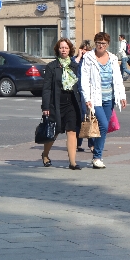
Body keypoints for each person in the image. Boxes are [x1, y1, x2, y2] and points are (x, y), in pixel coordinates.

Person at [81, 32, 127, 169]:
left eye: (104, 43)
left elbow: (118, 79)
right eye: (99, 43)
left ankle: (95, 150)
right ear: (95, 43)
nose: (101, 46)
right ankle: (97, 156)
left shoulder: (112, 58)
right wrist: (87, 98)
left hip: (109, 98)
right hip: (95, 98)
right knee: (104, 125)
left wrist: (122, 96)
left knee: (103, 128)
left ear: (108, 44)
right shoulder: (88, 57)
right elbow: (84, 79)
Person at [41, 38, 82, 170]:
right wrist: (45, 107)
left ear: (70, 50)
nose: (64, 50)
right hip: (56, 103)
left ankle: (72, 162)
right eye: (61, 48)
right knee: (54, 131)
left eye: (66, 48)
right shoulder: (52, 66)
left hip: (71, 102)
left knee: (71, 131)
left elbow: (80, 85)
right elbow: (46, 88)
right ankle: (45, 154)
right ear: (57, 50)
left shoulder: (74, 66)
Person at [75, 40, 93, 153]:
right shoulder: (77, 60)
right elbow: (72, 67)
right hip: (79, 93)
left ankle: (92, 144)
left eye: (87, 49)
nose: (85, 51)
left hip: (91, 93)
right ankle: (78, 143)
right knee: (81, 118)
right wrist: (79, 56)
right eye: (83, 49)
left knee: (91, 119)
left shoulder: (92, 61)